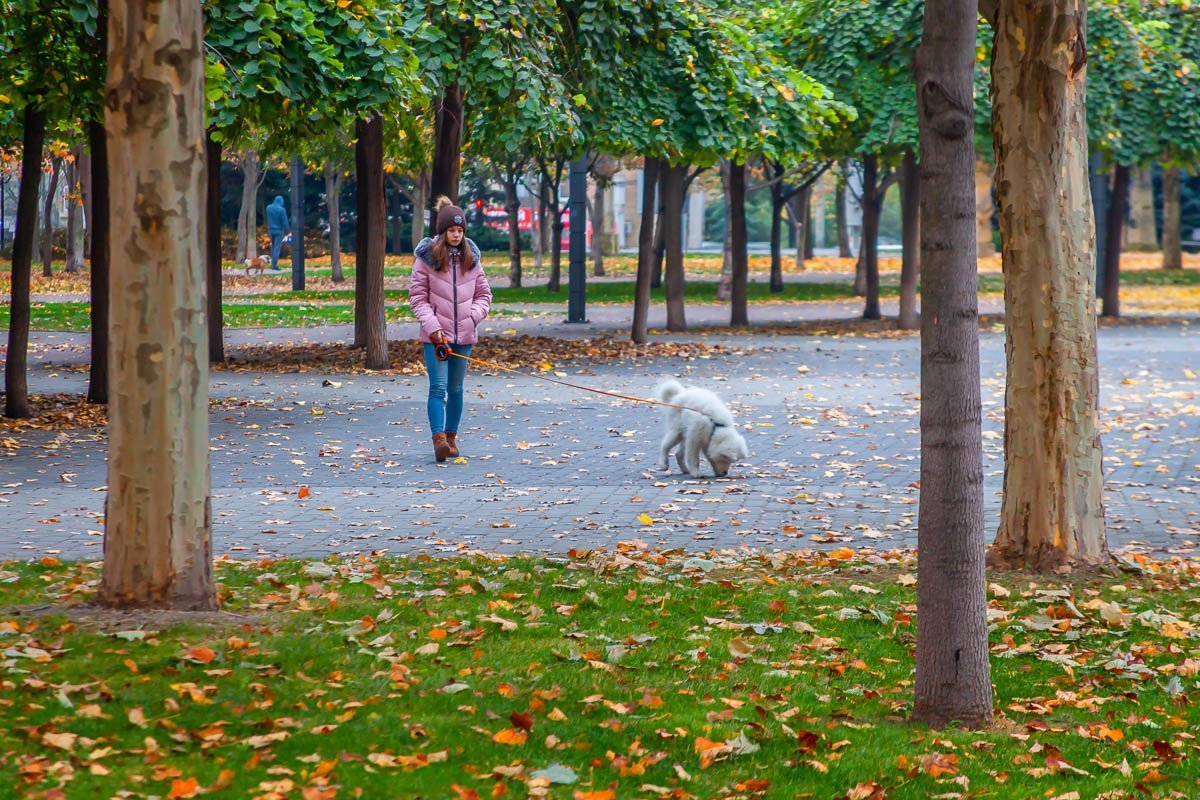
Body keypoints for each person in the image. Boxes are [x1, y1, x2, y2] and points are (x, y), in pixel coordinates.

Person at [409, 196, 492, 462]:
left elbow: (484, 294)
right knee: (438, 388)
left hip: (464, 335)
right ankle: (439, 441)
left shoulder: (472, 259)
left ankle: (452, 437)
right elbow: (417, 298)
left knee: (456, 389)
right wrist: (433, 329)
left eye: (460, 231)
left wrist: (472, 316)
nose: (456, 235)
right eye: (452, 231)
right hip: (436, 338)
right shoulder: (426, 259)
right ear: (442, 231)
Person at [266, 195, 290, 270]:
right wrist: (288, 232)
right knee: (277, 248)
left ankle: (271, 263)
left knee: (273, 247)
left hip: (270, 230)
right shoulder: (282, 210)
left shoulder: (268, 208)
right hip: (279, 231)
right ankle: (274, 266)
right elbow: (285, 222)